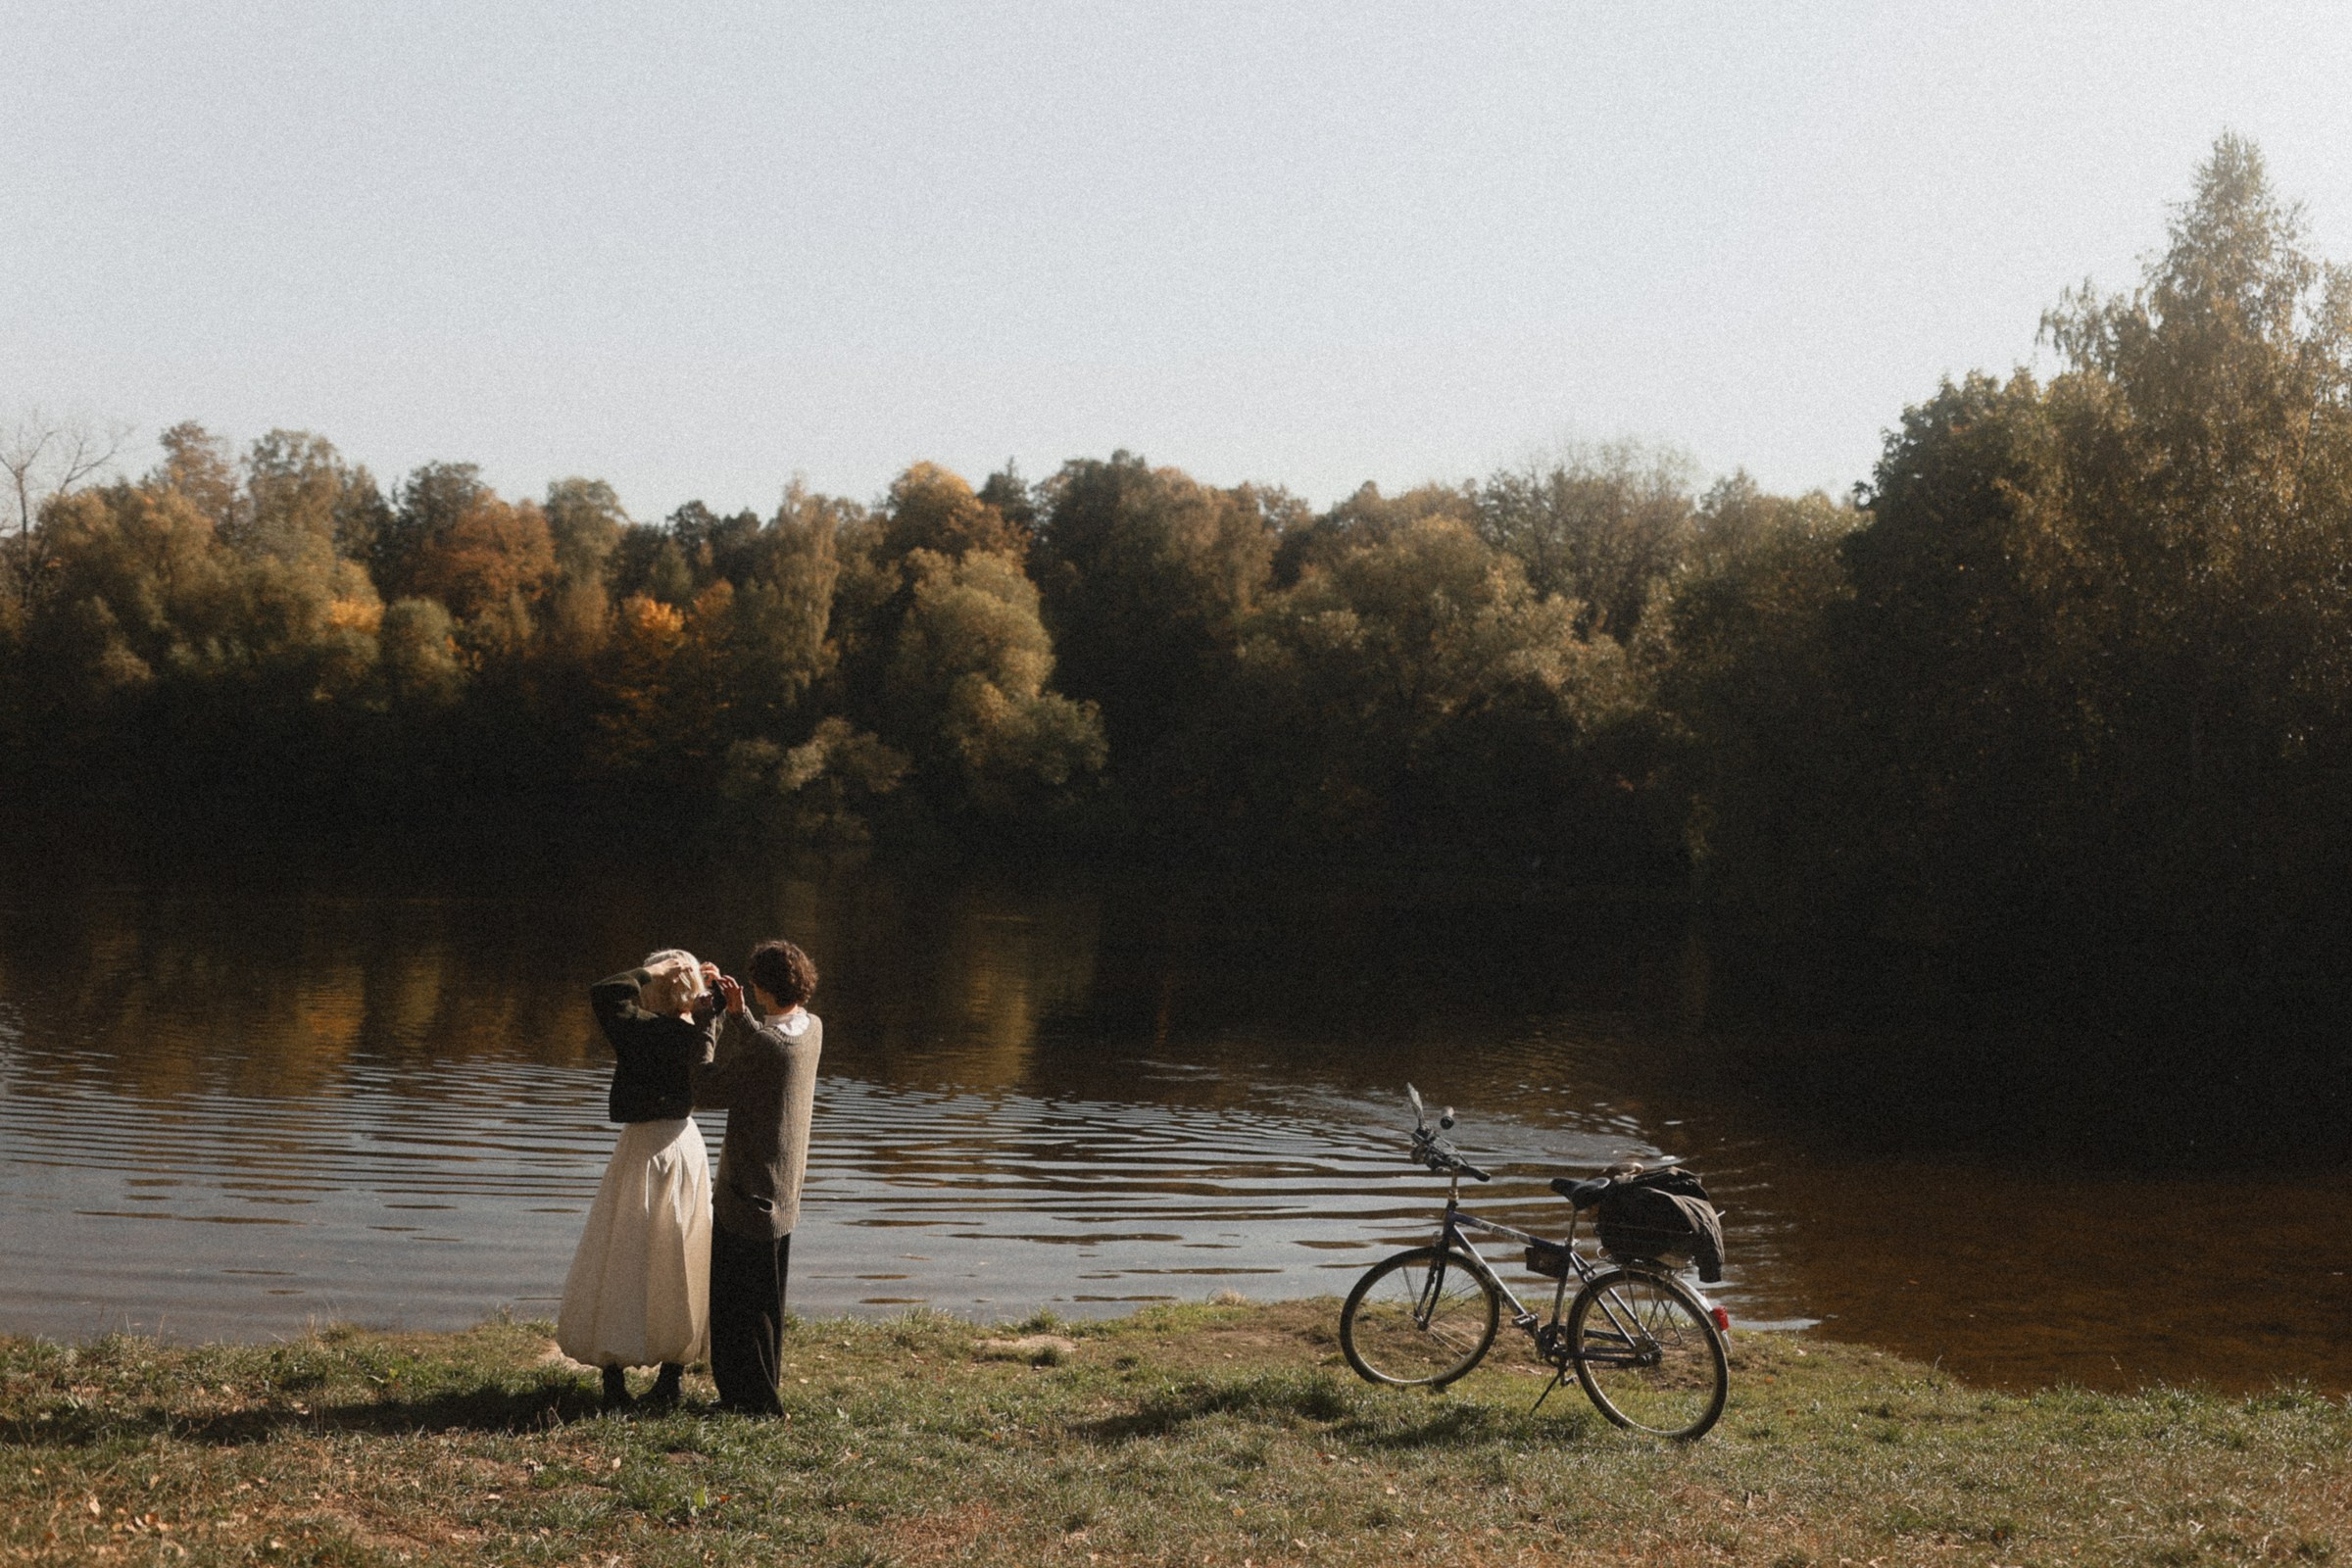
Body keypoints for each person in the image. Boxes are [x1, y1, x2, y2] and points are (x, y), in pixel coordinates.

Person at [557, 949, 723, 1410]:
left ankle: (614, 1382)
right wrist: (705, 996)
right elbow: (710, 1020)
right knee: (681, 1252)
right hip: (684, 1146)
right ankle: (672, 1377)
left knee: (623, 1252)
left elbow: (606, 992)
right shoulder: (701, 1035)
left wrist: (654, 971)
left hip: (644, 1150)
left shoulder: (640, 1030)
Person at [698, 938, 823, 1415]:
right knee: (766, 1304)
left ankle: (747, 1404)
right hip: (783, 1192)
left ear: (764, 987)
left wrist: (708, 1023)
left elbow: (706, 1089)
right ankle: (763, 1396)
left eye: (753, 985)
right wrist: (739, 1015)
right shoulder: (811, 1028)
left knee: (735, 1306)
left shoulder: (770, 1046)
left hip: (747, 1189)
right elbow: (771, 1054)